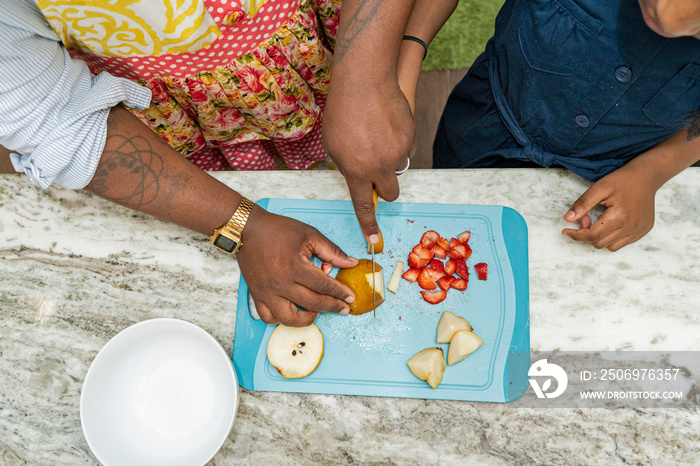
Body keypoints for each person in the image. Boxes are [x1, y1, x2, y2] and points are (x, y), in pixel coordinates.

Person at [0, 0, 455, 326]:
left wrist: (365, 75)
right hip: (167, 113)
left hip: (302, 47)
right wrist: (244, 225)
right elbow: (50, 118)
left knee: (313, 144)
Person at [434, 0, 700, 251]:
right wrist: (396, 79)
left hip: (619, 177)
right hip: (484, 126)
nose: (666, 17)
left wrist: (651, 172)